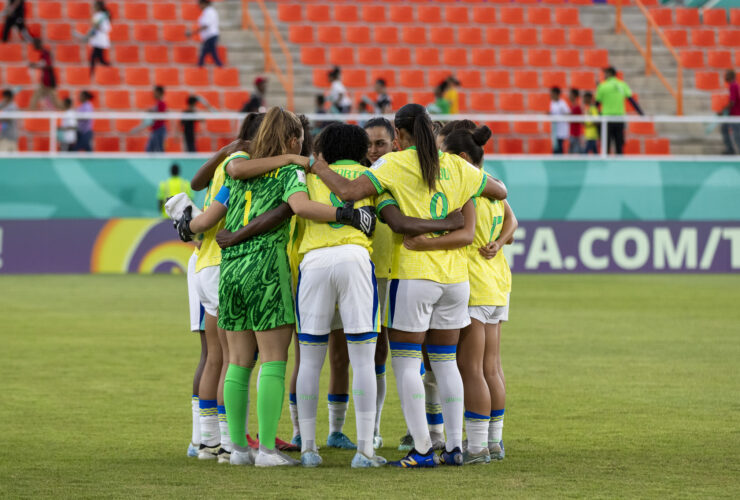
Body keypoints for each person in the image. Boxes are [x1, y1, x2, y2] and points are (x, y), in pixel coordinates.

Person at [308, 103, 508, 468]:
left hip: (414, 274)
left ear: (399, 136)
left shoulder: (394, 164)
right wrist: (450, 216)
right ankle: (453, 447)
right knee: (446, 365)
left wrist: (318, 165)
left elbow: (350, 192)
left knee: (406, 364)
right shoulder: (457, 165)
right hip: (456, 280)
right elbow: (499, 190)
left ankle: (422, 449)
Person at [214, 107, 375, 467]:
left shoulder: (239, 162)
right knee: (273, 360)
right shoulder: (289, 170)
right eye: (300, 138)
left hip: (231, 268)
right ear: (292, 139)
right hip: (265, 266)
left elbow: (229, 181)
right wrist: (344, 214)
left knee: (238, 362)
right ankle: (268, 450)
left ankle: (238, 448)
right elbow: (300, 207)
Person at [404, 125, 518, 464]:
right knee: (492, 367)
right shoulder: (494, 184)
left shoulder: (466, 188)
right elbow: (512, 221)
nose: (439, 159)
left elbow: (463, 234)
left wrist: (426, 242)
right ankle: (494, 442)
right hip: (498, 282)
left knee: (470, 368)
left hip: (473, 283)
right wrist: (499, 241)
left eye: (444, 152)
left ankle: (476, 446)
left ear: (463, 158)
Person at [595, 66, 643, 155]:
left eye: (605, 73)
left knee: (606, 145)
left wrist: (596, 115)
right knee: (619, 145)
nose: (604, 75)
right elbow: (631, 100)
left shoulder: (603, 86)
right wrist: (641, 113)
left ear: (609, 73)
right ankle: (619, 165)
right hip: (619, 119)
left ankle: (606, 166)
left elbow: (597, 103)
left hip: (607, 119)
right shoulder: (622, 84)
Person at [131, 86, 167, 152]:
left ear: (159, 93)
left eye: (155, 92)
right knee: (150, 149)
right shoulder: (157, 104)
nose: (153, 94)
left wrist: (152, 111)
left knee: (158, 149)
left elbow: (160, 117)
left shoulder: (162, 104)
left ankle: (162, 162)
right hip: (156, 130)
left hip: (159, 130)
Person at [29, 38, 61, 110]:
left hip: (49, 81)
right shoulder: (43, 54)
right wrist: (35, 65)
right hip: (44, 81)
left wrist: (35, 66)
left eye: (34, 45)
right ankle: (31, 113)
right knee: (35, 97)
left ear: (38, 44)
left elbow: (49, 66)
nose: (33, 47)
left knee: (55, 101)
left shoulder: (46, 53)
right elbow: (43, 64)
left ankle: (64, 111)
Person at [81, 1, 112, 76]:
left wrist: (99, 27)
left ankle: (92, 73)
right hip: (96, 39)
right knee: (98, 57)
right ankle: (93, 72)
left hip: (100, 39)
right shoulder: (96, 16)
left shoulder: (103, 17)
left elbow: (107, 28)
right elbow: (93, 27)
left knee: (96, 57)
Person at [190, 0, 222, 67]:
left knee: (211, 54)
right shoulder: (207, 12)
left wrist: (193, 32)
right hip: (209, 36)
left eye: (200, 4)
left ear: (204, 3)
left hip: (210, 36)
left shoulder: (209, 12)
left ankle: (200, 66)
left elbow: (206, 25)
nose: (199, 6)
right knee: (209, 53)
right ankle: (200, 65)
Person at [720, 69, 740, 155]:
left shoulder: (733, 86)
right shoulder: (735, 85)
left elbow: (732, 102)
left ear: (731, 76)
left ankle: (731, 150)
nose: (725, 77)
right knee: (724, 128)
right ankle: (730, 149)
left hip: (735, 114)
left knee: (736, 134)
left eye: (726, 75)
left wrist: (723, 110)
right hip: (733, 114)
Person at [549, 87, 570, 155]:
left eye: (552, 93)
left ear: (556, 94)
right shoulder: (552, 103)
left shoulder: (562, 103)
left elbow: (568, 113)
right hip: (555, 128)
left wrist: (562, 115)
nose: (551, 95)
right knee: (555, 146)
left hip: (561, 128)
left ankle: (560, 162)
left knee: (559, 146)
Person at [568, 89, 583, 154]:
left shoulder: (577, 108)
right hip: (572, 133)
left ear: (573, 95)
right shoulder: (571, 107)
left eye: (570, 94)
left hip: (576, 134)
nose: (569, 96)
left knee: (576, 153)